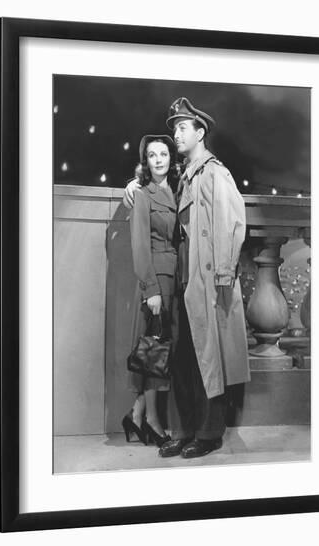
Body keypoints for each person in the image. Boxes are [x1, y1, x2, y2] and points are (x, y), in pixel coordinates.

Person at [123, 97, 250, 458]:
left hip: (207, 281)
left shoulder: (213, 173)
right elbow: (155, 192)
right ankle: (185, 428)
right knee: (182, 359)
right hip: (183, 280)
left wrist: (223, 274)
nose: (176, 135)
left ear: (200, 132)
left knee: (207, 358)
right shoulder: (184, 174)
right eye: (175, 128)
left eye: (182, 128)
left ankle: (208, 433)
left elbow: (232, 221)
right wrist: (133, 185)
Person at [122, 134, 180, 448]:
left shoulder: (179, 188)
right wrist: (151, 289)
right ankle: (152, 421)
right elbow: (139, 246)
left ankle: (136, 415)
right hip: (156, 280)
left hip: (175, 279)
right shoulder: (143, 194)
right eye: (152, 156)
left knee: (158, 352)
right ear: (146, 161)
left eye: (164, 154)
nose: (158, 160)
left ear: (172, 158)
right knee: (155, 352)